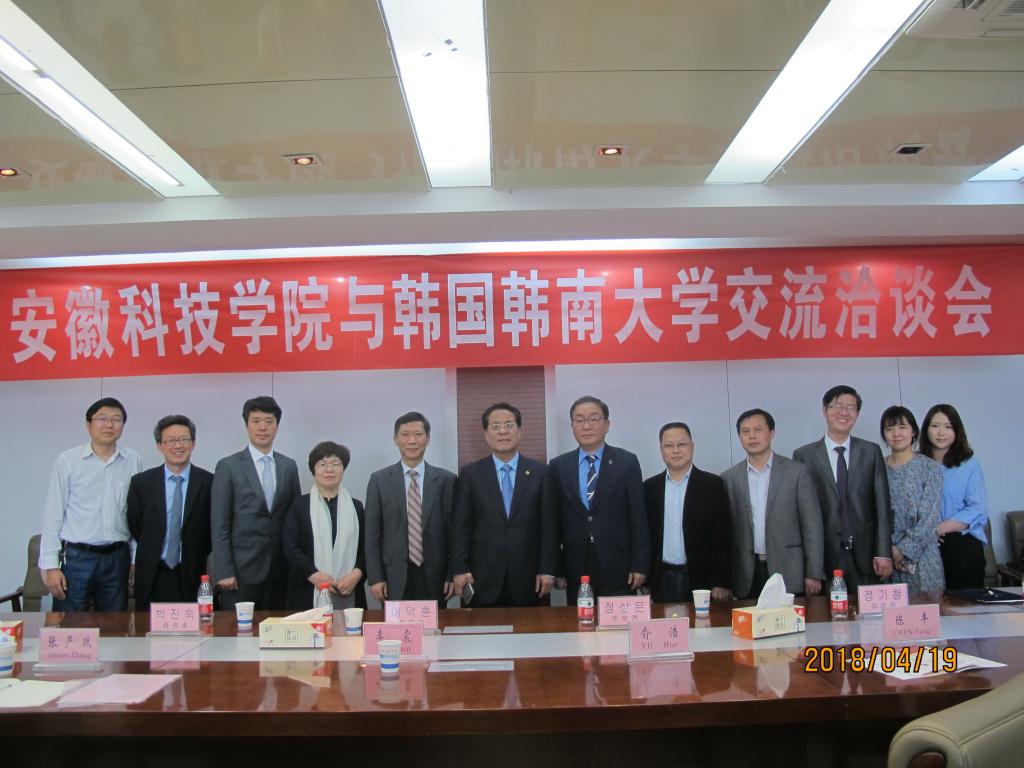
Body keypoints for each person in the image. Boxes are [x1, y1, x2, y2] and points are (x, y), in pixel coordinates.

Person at [39, 397, 142, 611]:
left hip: (117, 558)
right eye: (102, 418)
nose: (109, 424)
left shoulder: (133, 460)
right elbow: (53, 515)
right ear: (88, 425)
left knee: (114, 625)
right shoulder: (68, 461)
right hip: (77, 558)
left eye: (116, 419)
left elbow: (135, 515)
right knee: (70, 625)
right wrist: (51, 566)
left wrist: (134, 558)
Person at [451, 403, 557, 607]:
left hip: (530, 578)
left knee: (532, 628)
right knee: (482, 629)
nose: (502, 431)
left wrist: (548, 569)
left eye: (509, 425)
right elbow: (460, 528)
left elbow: (549, 527)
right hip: (481, 577)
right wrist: (459, 568)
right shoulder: (471, 474)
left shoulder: (541, 473)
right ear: (486, 434)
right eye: (495, 426)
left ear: (519, 431)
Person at [544, 395, 649, 601]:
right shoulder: (558, 466)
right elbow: (552, 522)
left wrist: (640, 564)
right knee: (580, 618)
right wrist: (557, 567)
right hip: (575, 564)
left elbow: (638, 518)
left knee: (617, 619)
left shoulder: (626, 462)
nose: (586, 426)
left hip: (619, 563)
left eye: (594, 418)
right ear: (572, 426)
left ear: (607, 424)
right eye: (579, 420)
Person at [793, 385, 893, 595]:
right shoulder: (804, 456)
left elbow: (882, 506)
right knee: (825, 613)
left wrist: (883, 552)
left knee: (867, 613)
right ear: (824, 410)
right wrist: (811, 566)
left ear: (857, 413)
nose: (844, 412)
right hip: (825, 556)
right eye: (837, 406)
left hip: (866, 555)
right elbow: (802, 514)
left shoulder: (871, 451)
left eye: (850, 407)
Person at [722, 409, 824, 599]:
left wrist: (814, 572)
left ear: (771, 433)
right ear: (739, 437)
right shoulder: (729, 478)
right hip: (746, 573)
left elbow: (812, 525)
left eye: (758, 429)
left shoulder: (796, 472)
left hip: (789, 570)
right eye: (745, 431)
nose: (752, 436)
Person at [211, 396, 301, 610]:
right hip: (240, 570)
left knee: (277, 627)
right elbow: (219, 523)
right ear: (246, 426)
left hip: (280, 569)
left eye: (269, 421)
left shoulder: (288, 466)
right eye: (256, 421)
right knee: (238, 629)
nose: (263, 427)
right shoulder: (228, 466)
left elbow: (295, 520)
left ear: (277, 427)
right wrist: (224, 570)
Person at [364, 412, 457, 605]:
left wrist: (451, 573)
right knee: (396, 624)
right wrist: (375, 577)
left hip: (436, 576)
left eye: (418, 434)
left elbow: (455, 533)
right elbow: (372, 534)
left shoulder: (446, 480)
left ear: (428, 439)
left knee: (435, 624)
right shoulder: (379, 480)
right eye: (405, 434)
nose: (412, 441)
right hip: (392, 575)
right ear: (395, 439)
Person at [127, 415, 213, 610]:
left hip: (192, 572)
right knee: (149, 627)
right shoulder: (141, 483)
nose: (178, 446)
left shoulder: (209, 482)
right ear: (160, 445)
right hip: (152, 572)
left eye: (184, 439)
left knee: (193, 627)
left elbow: (210, 530)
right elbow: (135, 525)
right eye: (171, 440)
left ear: (193, 444)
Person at [642, 422, 732, 603]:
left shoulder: (713, 485)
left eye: (681, 444)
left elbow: (723, 536)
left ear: (692, 446)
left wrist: (721, 580)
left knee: (703, 622)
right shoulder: (649, 488)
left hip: (702, 578)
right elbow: (644, 536)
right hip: (661, 578)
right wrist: (646, 577)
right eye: (669, 445)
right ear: (661, 450)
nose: (676, 450)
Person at [283, 441, 366, 610]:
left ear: (343, 469)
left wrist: (357, 574)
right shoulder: (299, 506)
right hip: (307, 589)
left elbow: (368, 548)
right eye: (322, 464)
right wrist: (314, 575)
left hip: (349, 588)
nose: (329, 470)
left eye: (336, 464)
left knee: (350, 628)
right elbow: (290, 547)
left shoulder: (356, 507)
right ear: (313, 470)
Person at [919, 403, 989, 589]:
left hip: (961, 543)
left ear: (957, 431)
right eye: (935, 426)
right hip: (924, 545)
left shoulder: (968, 465)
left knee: (964, 602)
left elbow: (977, 509)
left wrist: (937, 529)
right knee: (928, 602)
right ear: (926, 430)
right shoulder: (917, 464)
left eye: (948, 427)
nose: (941, 433)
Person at [878, 406, 945, 595]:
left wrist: (901, 550)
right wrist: (886, 550)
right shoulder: (877, 467)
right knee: (887, 611)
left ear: (913, 431)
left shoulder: (930, 468)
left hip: (922, 558)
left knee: (924, 609)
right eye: (889, 429)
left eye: (902, 427)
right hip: (885, 559)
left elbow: (929, 518)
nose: (896, 433)